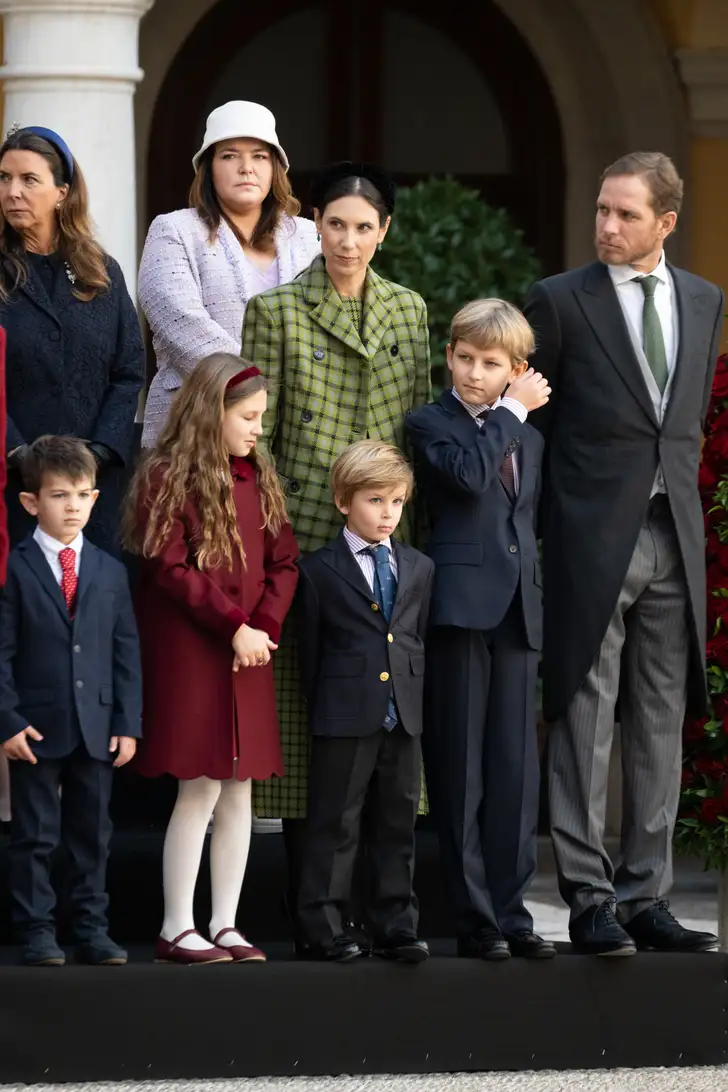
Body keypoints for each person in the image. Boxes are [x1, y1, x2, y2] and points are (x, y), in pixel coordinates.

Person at [524, 151, 722, 955]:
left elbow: (684, 422)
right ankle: (588, 898)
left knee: (660, 722)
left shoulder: (705, 300)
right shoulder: (557, 301)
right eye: (602, 209)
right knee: (583, 713)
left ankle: (647, 896)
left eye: (626, 214)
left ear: (665, 223)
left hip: (676, 534)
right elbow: (534, 432)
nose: (606, 226)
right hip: (588, 536)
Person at [241, 160, 432, 910]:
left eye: (363, 228)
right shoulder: (276, 311)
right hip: (308, 537)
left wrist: (407, 536)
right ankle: (315, 911)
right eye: (335, 224)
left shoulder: (409, 311)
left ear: (385, 231)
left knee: (388, 711)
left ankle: (386, 909)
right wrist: (272, 542)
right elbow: (260, 439)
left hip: (384, 536)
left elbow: (416, 424)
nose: (348, 241)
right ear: (313, 225)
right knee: (308, 714)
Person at [124, 353, 299, 965]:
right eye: (248, 417)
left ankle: (225, 924)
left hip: (248, 654)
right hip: (195, 652)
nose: (258, 429)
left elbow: (284, 562)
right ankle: (177, 926)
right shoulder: (165, 477)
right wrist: (234, 626)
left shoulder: (258, 477)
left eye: (261, 418)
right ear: (211, 411)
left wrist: (263, 628)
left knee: (238, 791)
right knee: (198, 788)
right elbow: (168, 568)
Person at [406, 300, 554, 961]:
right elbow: (468, 479)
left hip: (518, 611)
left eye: (490, 364)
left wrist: (514, 417)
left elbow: (527, 521)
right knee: (461, 768)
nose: (472, 373)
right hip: (461, 608)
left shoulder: (532, 439)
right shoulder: (430, 422)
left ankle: (513, 912)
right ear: (449, 355)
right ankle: (474, 919)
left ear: (515, 367)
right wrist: (512, 410)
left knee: (515, 773)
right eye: (463, 358)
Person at [0, 436, 142, 967]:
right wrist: (7, 720)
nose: (73, 507)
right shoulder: (12, 569)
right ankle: (37, 930)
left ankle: (91, 928)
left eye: (83, 495)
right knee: (34, 835)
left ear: (96, 497)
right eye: (60, 495)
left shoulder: (109, 571)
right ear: (31, 502)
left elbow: (126, 652)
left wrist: (128, 721)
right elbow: (2, 651)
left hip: (97, 724)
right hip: (34, 726)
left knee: (92, 834)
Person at [295, 441, 433, 962]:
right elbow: (311, 650)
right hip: (344, 713)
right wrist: (330, 703)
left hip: (404, 714)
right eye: (375, 500)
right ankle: (324, 926)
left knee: (398, 822)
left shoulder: (419, 566)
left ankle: (396, 924)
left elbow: (413, 636)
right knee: (336, 822)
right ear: (343, 501)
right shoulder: (318, 570)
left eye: (396, 502)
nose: (387, 513)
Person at [139, 100, 320, 448]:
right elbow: (181, 323)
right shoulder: (174, 230)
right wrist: (258, 384)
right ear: (208, 167)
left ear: (275, 168)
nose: (246, 168)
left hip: (291, 431)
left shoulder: (309, 236)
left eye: (259, 156)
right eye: (229, 155)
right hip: (194, 428)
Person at [0, 125, 145, 557]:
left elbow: (129, 371)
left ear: (62, 192)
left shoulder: (101, 272)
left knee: (93, 592)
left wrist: (97, 454)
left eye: (29, 179)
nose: (12, 192)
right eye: (4, 178)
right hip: (13, 485)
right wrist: (19, 454)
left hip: (92, 490)